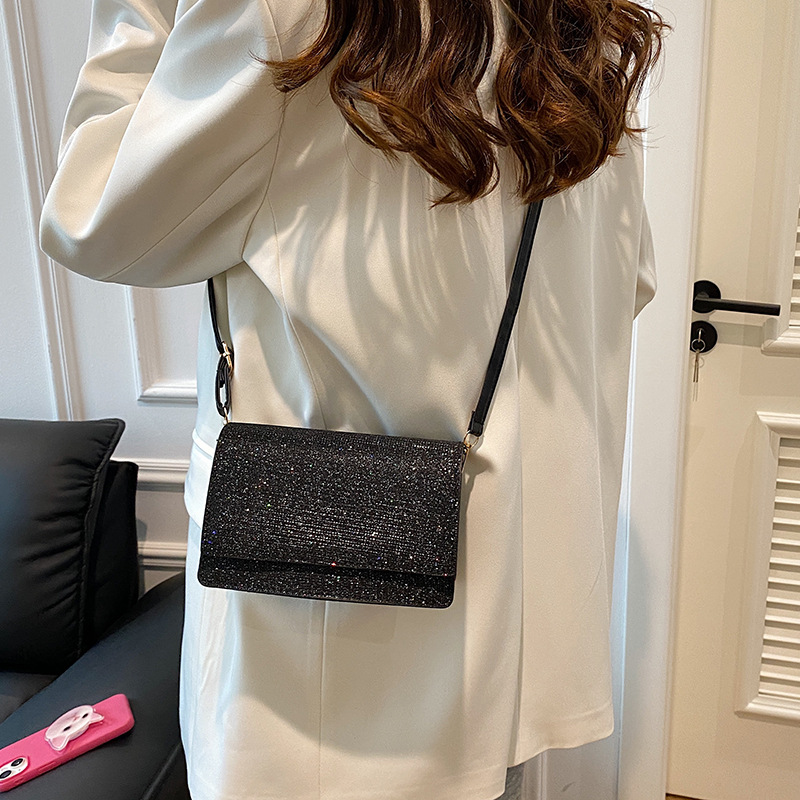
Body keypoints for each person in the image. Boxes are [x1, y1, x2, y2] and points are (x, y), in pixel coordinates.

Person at [38, 0, 666, 798]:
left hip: (323, 671)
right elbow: (628, 283)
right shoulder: (589, 31)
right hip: (526, 625)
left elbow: (91, 219)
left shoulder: (286, 17)